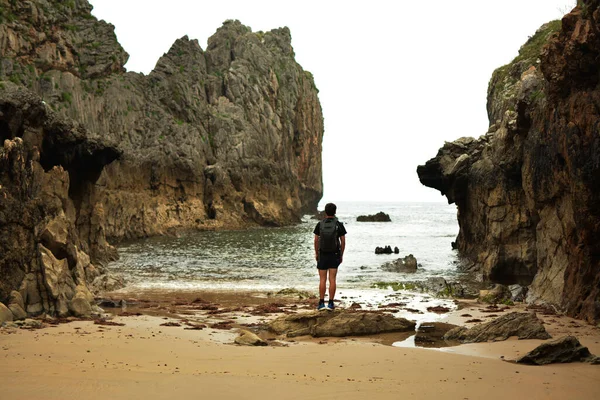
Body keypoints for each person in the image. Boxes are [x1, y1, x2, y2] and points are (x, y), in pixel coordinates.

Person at [313, 203, 346, 311]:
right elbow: (343, 241)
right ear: (335, 211)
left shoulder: (320, 224)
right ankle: (331, 303)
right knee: (332, 279)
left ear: (325, 212)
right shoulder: (338, 224)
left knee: (322, 279)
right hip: (334, 254)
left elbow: (316, 240)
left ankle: (321, 303)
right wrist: (341, 254)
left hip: (322, 254)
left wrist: (317, 253)